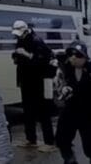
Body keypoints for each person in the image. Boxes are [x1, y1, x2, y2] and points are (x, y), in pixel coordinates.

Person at [53, 40, 91, 164]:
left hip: (88, 111)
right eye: (71, 55)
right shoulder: (66, 67)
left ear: (85, 56)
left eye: (78, 55)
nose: (74, 58)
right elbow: (59, 82)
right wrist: (63, 89)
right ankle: (69, 159)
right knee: (61, 138)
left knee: (90, 144)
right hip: (70, 109)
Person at [11, 20, 56, 152]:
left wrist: (26, 54)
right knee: (28, 111)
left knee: (43, 111)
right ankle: (31, 139)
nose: (17, 36)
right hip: (26, 80)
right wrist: (16, 56)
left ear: (25, 30)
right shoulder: (20, 40)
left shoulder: (37, 41)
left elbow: (43, 60)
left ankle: (49, 141)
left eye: (19, 33)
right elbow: (17, 56)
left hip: (38, 80)